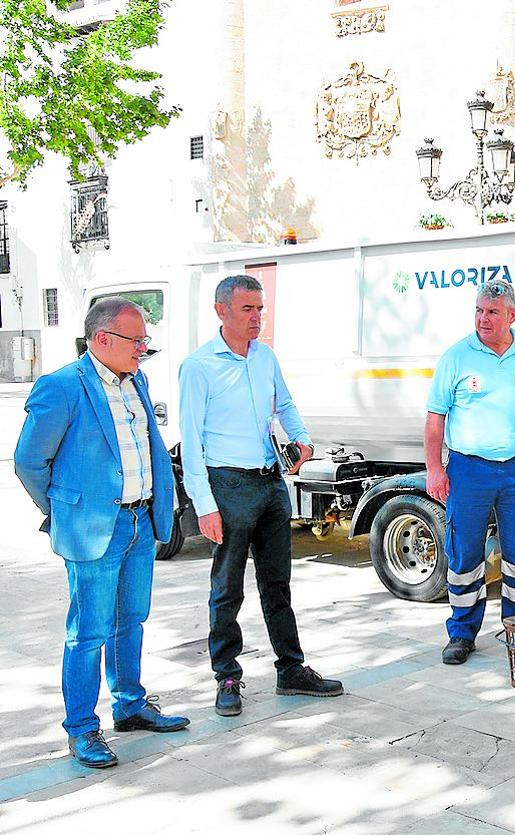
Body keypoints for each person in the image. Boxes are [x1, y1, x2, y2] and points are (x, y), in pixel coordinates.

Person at [14, 298, 190, 769]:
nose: (144, 349)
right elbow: (29, 462)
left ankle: (130, 705)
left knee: (131, 620)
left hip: (139, 521)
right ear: (101, 340)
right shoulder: (62, 388)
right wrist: (63, 510)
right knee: (88, 633)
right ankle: (81, 729)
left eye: (145, 340)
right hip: (94, 529)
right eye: (137, 341)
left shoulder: (138, 380)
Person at [179, 274, 342, 716]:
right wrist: (204, 504)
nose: (257, 318)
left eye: (261, 308)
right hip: (227, 485)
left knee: (278, 583)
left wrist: (303, 440)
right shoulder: (199, 367)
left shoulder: (265, 357)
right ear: (221, 311)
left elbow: (284, 405)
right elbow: (190, 442)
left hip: (271, 482)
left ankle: (291, 669)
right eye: (248, 309)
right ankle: (227, 676)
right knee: (227, 587)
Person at [425, 278, 515, 665]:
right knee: (465, 553)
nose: (483, 319)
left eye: (492, 313)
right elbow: (435, 419)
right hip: (469, 471)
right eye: (479, 310)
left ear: (512, 316)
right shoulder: (456, 356)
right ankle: (462, 633)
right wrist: (435, 468)